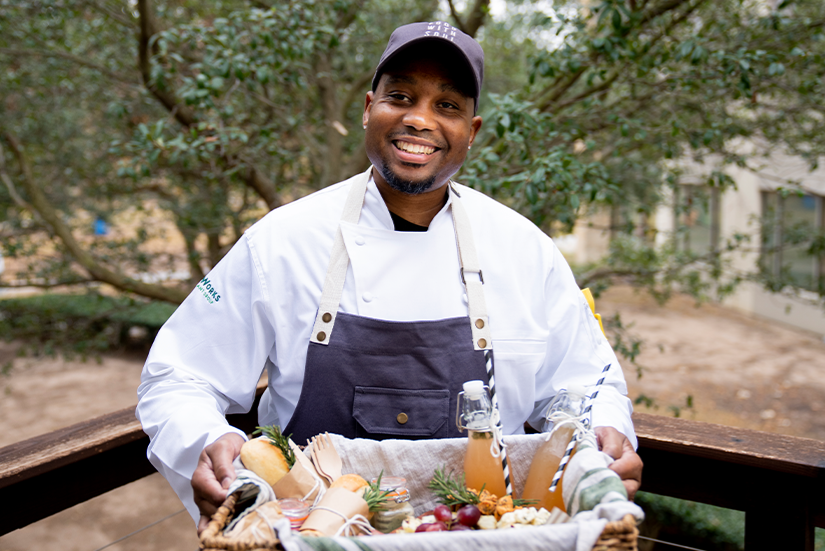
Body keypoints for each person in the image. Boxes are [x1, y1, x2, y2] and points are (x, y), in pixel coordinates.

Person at [136, 21, 642, 533]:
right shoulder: (283, 241)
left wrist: (606, 432)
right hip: (315, 533)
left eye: (447, 105)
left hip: (487, 535)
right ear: (367, 108)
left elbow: (585, 382)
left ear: (473, 130)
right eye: (400, 96)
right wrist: (204, 439)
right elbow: (180, 376)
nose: (419, 120)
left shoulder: (524, 250)